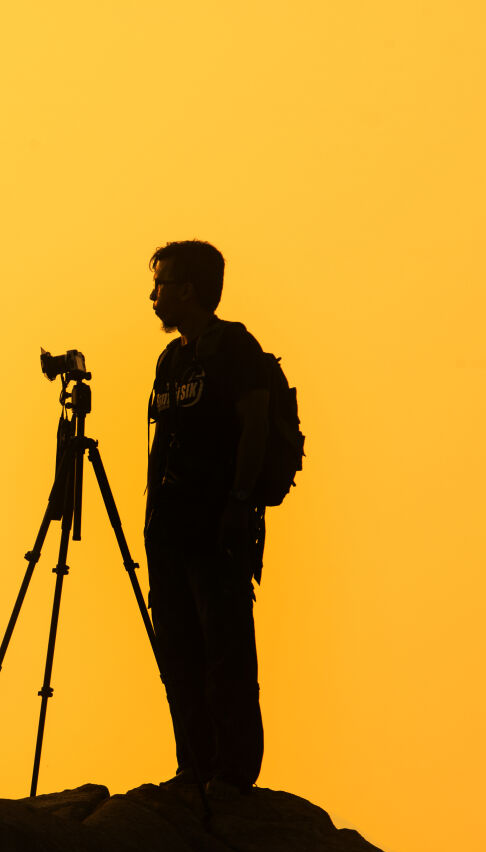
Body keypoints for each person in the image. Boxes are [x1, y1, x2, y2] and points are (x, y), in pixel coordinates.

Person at [143, 240, 274, 798]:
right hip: (170, 530)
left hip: (217, 523)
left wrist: (240, 503)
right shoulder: (171, 360)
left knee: (224, 648)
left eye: (162, 284)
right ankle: (192, 764)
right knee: (177, 649)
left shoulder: (234, 347)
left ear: (188, 290)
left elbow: (257, 425)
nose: (153, 296)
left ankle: (232, 771)